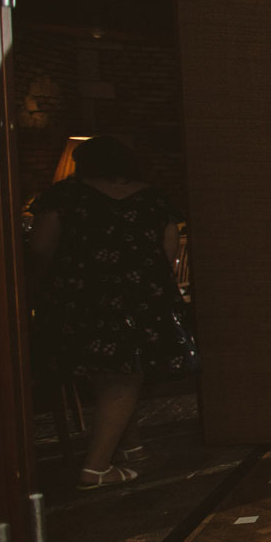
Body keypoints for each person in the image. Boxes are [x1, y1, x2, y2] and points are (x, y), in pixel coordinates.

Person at [27, 137, 197, 488]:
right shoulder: (153, 198)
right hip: (139, 296)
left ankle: (129, 447)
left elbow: (41, 247)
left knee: (107, 374)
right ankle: (96, 468)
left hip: (80, 295)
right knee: (126, 376)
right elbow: (167, 252)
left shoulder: (65, 196)